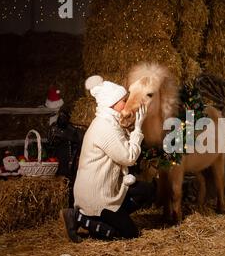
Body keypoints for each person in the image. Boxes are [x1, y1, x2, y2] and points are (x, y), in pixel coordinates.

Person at [60, 75, 155, 243]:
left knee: (146, 191)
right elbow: (128, 157)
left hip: (109, 187)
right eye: (123, 100)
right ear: (113, 103)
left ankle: (111, 218)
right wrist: (138, 130)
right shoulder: (104, 127)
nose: (126, 103)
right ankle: (79, 217)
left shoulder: (111, 122)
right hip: (97, 195)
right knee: (130, 234)